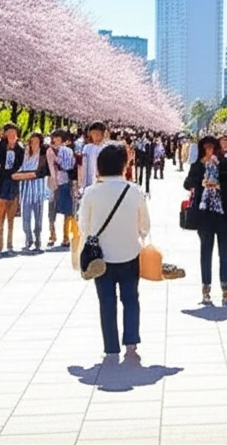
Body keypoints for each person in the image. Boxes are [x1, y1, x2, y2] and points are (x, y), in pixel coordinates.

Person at [78, 144, 150, 355]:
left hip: (101, 257)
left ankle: (111, 345)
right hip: (130, 253)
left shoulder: (91, 192)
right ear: (124, 165)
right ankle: (131, 340)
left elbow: (84, 225)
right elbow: (144, 225)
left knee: (106, 301)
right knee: (130, 298)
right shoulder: (134, 191)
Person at [184, 136, 227, 304]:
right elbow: (187, 183)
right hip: (205, 215)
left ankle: (225, 287)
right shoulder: (198, 166)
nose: (209, 151)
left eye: (212, 147)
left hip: (222, 214)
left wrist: (219, 186)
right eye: (206, 148)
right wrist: (200, 181)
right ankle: (206, 287)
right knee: (207, 250)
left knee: (223, 250)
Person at [13, 132, 51, 252]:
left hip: (38, 191)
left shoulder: (42, 156)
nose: (34, 144)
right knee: (26, 218)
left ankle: (38, 238)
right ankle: (28, 238)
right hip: (25, 191)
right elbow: (17, 172)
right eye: (32, 142)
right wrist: (23, 175)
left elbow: (39, 172)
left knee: (38, 218)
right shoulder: (25, 155)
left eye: (36, 142)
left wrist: (24, 175)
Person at [0, 122, 25, 253]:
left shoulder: (20, 149)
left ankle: (10, 239)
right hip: (1, 182)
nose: (12, 136)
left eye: (14, 134)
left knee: (12, 211)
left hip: (14, 182)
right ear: (5, 134)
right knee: (0, 210)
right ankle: (0, 236)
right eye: (9, 133)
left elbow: (22, 165)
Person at [46, 130, 75, 248]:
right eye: (54, 137)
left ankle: (65, 236)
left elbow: (71, 165)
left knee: (66, 210)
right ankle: (53, 234)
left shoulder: (66, 150)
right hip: (55, 182)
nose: (55, 139)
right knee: (53, 210)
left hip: (63, 181)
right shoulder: (50, 150)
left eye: (58, 137)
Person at [80, 122, 108, 194]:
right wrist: (82, 184)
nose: (96, 136)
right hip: (89, 181)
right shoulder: (87, 148)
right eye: (93, 133)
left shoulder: (106, 148)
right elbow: (84, 166)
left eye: (98, 134)